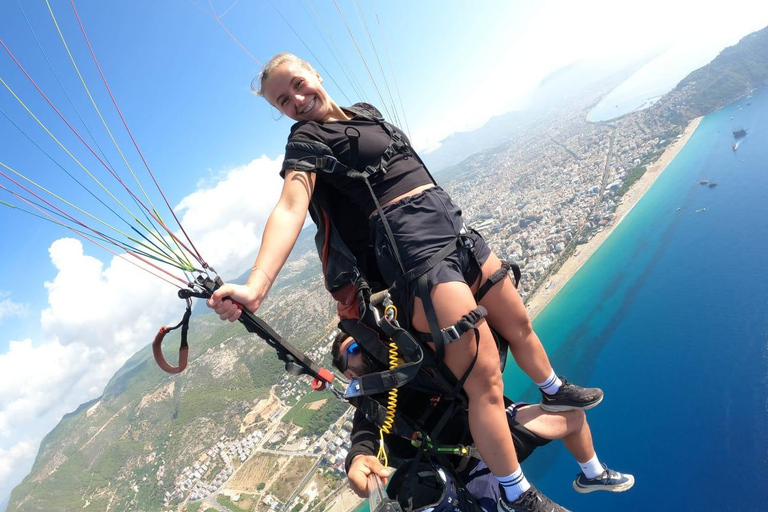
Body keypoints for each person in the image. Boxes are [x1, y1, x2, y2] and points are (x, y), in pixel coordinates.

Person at [207, 52, 604, 511]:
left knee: (519, 325)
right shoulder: (306, 140)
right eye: (282, 99)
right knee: (486, 378)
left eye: (297, 84)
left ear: (315, 73)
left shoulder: (367, 113)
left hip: (451, 232)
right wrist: (257, 285)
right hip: (415, 253)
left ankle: (556, 390)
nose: (296, 99)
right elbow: (292, 206)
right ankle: (517, 494)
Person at [332, 332, 634, 512]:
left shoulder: (417, 365)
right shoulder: (372, 408)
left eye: (364, 341)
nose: (365, 348)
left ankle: (592, 474)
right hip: (468, 468)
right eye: (355, 350)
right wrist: (358, 461)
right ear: (349, 374)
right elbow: (364, 439)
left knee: (571, 416)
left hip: (496, 429)